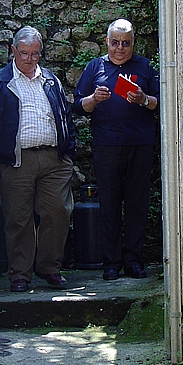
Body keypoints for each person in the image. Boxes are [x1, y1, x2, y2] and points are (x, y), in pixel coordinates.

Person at [0, 26, 76, 292]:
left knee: (58, 212)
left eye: (35, 54)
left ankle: (49, 268)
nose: (30, 60)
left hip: (54, 159)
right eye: (24, 54)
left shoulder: (50, 81)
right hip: (17, 161)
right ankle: (20, 274)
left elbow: (65, 116)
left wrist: (69, 150)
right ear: (12, 51)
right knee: (18, 219)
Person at [73, 19, 159, 281]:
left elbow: (162, 102)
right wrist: (93, 100)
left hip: (140, 145)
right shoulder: (95, 67)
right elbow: (77, 106)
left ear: (133, 43)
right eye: (115, 42)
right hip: (106, 145)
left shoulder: (144, 67)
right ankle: (111, 263)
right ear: (107, 42)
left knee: (137, 204)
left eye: (126, 43)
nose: (120, 48)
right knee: (109, 204)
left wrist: (143, 99)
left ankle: (133, 261)